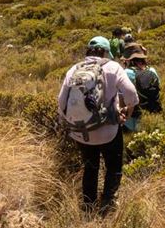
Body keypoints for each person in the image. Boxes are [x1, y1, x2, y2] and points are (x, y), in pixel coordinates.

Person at [58, 36, 139, 215]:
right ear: (105, 51)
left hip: (81, 133)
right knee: (114, 166)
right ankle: (108, 204)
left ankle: (88, 208)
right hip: (108, 131)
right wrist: (127, 112)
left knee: (90, 167)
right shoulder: (113, 67)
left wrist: (75, 124)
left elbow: (61, 102)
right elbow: (132, 94)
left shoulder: (73, 70)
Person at [123, 50, 161, 133]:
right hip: (153, 111)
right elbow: (159, 86)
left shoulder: (126, 72)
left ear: (130, 60)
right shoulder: (152, 70)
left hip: (134, 116)